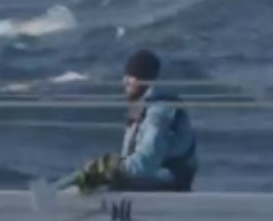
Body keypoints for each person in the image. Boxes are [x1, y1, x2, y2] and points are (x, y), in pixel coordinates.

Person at [80, 48, 198, 193]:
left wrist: (116, 168)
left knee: (109, 183)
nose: (124, 81)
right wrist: (106, 166)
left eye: (131, 76)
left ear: (144, 80)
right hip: (154, 177)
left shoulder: (160, 111)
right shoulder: (143, 107)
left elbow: (147, 160)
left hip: (171, 181)